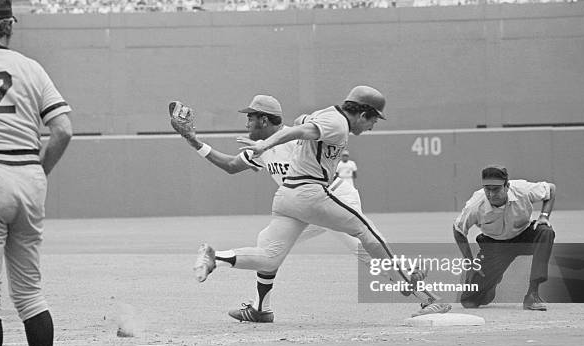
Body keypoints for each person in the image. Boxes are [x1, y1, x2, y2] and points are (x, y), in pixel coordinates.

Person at [191, 86, 449, 317]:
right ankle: (424, 296)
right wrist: (261, 145)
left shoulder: (326, 117)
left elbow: (301, 123)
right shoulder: (336, 124)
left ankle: (217, 258)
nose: (372, 127)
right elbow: (299, 129)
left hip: (289, 199)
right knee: (368, 233)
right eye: (373, 121)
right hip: (316, 196)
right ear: (362, 115)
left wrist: (269, 140)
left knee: (270, 255)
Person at [171, 95, 371, 323]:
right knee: (267, 243)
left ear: (264, 120)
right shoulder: (262, 148)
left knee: (365, 251)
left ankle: (421, 293)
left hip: (333, 198)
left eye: (250, 117)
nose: (247, 123)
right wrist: (194, 142)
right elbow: (231, 165)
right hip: (304, 206)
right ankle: (260, 309)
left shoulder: (296, 140)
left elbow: (311, 133)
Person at [0, 1, 72, 346]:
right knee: (29, 294)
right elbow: (62, 130)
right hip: (27, 176)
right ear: (10, 25)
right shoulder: (32, 67)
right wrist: (39, 173)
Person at [453, 165, 556, 311]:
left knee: (546, 232)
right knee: (470, 302)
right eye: (487, 189)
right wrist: (470, 263)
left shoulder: (523, 190)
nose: (491, 194)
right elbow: (458, 230)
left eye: (496, 189)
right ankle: (492, 282)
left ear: (507, 186)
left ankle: (533, 294)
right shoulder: (475, 205)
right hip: (495, 246)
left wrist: (544, 216)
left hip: (524, 237)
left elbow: (551, 189)